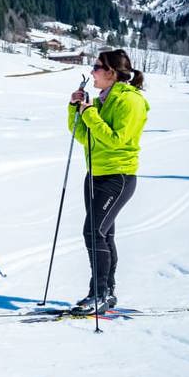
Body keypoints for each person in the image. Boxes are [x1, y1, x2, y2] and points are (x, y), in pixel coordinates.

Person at [68, 49, 148, 314]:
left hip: (118, 176)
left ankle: (99, 293)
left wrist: (90, 113)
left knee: (93, 232)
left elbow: (116, 140)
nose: (92, 71)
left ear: (112, 72)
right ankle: (107, 292)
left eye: (97, 66)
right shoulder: (104, 99)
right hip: (96, 174)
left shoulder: (130, 101)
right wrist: (74, 109)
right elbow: (83, 136)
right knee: (104, 233)